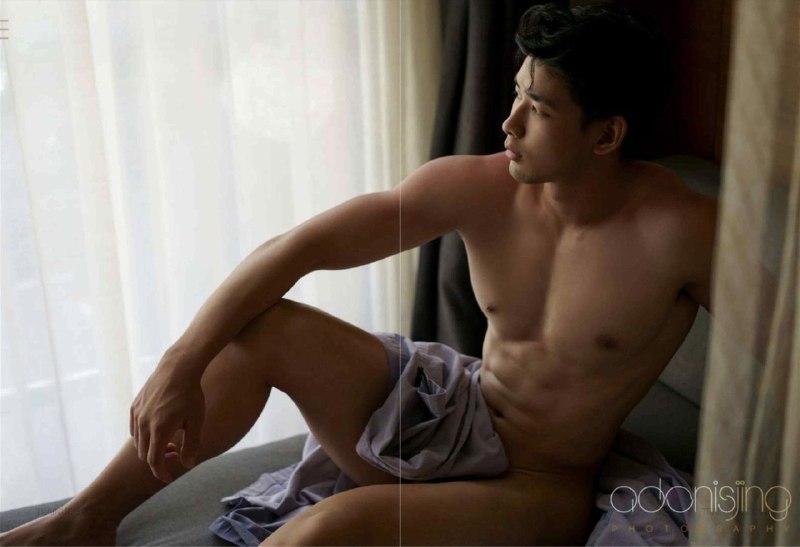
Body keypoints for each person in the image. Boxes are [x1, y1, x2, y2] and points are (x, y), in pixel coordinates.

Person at [0, 3, 717, 546]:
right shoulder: (482, 186)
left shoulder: (683, 234)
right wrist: (178, 363)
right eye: (516, 93)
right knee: (261, 329)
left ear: (606, 134)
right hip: (454, 413)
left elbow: (770, 362)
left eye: (539, 108)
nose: (509, 123)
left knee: (329, 529)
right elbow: (297, 248)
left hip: (536, 483)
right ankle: (85, 519)